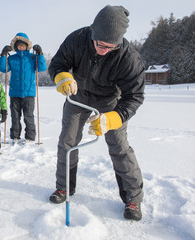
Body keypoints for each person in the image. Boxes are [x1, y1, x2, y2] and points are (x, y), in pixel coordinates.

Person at [48, 5, 145, 221]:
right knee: (68, 141)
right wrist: (62, 76)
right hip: (77, 96)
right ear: (93, 32)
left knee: (119, 147)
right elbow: (57, 63)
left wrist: (115, 117)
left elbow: (135, 96)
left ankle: (133, 199)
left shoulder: (129, 58)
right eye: (100, 44)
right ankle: (64, 188)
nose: (104, 49)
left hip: (112, 102)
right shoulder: (77, 39)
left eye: (110, 47)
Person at [0, 32, 47, 144]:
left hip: (29, 93)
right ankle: (15, 136)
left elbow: (42, 67)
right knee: (15, 117)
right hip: (15, 93)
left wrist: (40, 53)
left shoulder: (32, 57)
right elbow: (2, 68)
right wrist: (3, 55)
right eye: (19, 45)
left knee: (28, 116)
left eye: (23, 45)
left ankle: (30, 137)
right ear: (16, 46)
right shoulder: (12, 58)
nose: (21, 47)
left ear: (27, 46)